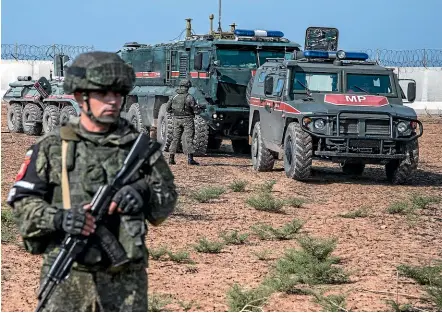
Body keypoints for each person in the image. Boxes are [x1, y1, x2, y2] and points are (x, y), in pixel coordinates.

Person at [6, 51, 178, 312]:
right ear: (80, 97)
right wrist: (59, 218)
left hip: (125, 282)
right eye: (103, 94)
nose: (113, 101)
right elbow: (22, 202)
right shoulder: (54, 147)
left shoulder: (139, 149)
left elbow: (165, 200)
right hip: (69, 277)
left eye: (118, 94)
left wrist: (141, 193)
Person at [166, 79, 201, 165]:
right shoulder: (189, 97)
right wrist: (198, 110)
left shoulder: (174, 96)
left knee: (175, 139)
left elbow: (167, 108)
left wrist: (174, 113)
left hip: (176, 119)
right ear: (188, 87)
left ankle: (171, 158)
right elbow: (196, 110)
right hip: (187, 120)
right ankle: (190, 160)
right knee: (189, 139)